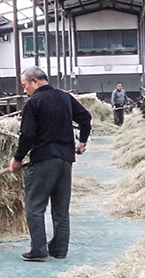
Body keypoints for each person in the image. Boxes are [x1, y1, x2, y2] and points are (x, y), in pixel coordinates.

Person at [9, 66, 92, 262]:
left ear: (34, 82)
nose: (25, 90)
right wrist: (82, 141)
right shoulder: (64, 97)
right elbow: (86, 118)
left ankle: (38, 249)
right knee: (60, 208)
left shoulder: (33, 103)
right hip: (66, 160)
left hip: (44, 160)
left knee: (34, 206)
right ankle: (59, 249)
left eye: (25, 86)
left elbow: (27, 135)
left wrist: (18, 158)